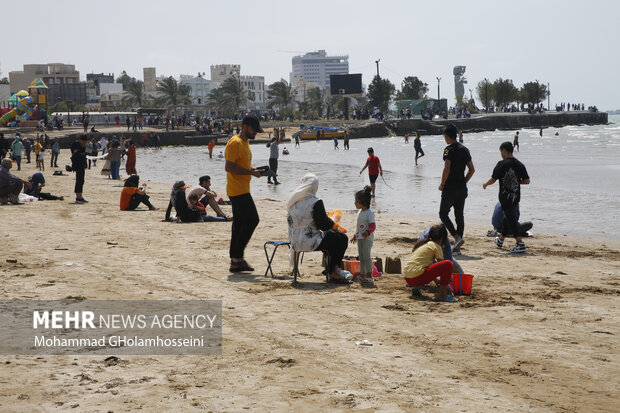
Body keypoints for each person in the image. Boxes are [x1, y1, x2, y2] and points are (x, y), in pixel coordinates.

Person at [287, 173, 352, 282]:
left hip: (294, 242)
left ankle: (331, 269)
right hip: (309, 241)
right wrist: (336, 228)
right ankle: (333, 270)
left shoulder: (293, 201)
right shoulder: (315, 202)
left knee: (332, 238)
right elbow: (323, 224)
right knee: (341, 238)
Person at [225, 114, 264, 272]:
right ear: (245, 127)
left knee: (239, 224)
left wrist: (254, 170)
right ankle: (237, 257)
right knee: (253, 220)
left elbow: (242, 164)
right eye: (254, 130)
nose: (256, 133)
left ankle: (235, 260)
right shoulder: (235, 143)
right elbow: (229, 167)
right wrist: (250, 172)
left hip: (241, 189)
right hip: (237, 190)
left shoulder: (245, 143)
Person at [483, 141, 530, 253]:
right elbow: (527, 181)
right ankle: (500, 240)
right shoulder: (519, 164)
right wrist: (516, 182)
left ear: (504, 150)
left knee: (511, 220)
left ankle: (520, 243)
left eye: (501, 152)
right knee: (507, 218)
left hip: (505, 196)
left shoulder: (501, 164)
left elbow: (493, 179)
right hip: (516, 197)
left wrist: (485, 184)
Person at [438, 124, 475, 250]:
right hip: (461, 188)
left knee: (443, 214)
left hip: (450, 187)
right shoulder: (465, 150)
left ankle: (456, 237)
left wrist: (442, 184)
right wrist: (464, 181)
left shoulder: (448, 149)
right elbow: (472, 170)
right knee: (459, 215)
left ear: (447, 136)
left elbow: (446, 169)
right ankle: (458, 241)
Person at [403, 224, 457, 302]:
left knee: (421, 265)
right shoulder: (436, 246)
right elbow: (443, 266)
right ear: (442, 239)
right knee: (448, 264)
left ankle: (416, 289)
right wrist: (449, 281)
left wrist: (436, 280)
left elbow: (426, 266)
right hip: (417, 278)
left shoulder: (422, 245)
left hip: (408, 278)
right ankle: (442, 295)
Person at [351, 186, 376, 287]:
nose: (354, 203)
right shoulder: (360, 212)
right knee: (361, 257)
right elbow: (359, 228)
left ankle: (369, 275)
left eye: (356, 201)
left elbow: (372, 226)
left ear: (364, 202)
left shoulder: (369, 213)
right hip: (360, 238)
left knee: (366, 257)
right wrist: (355, 236)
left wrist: (368, 232)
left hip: (367, 239)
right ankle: (362, 275)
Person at [71, 135, 89, 204]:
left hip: (81, 164)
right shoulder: (76, 144)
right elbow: (75, 155)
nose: (85, 143)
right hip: (78, 165)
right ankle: (78, 197)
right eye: (85, 141)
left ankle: (80, 196)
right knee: (79, 181)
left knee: (81, 181)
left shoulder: (81, 145)